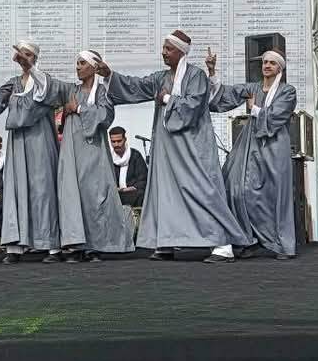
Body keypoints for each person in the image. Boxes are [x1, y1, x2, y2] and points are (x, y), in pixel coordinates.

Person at [95, 29, 249, 263]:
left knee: (201, 190)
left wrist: (167, 99)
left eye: (168, 49)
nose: (164, 52)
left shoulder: (196, 75)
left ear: (181, 52)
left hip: (192, 148)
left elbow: (194, 105)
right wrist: (109, 75)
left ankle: (222, 244)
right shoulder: (161, 78)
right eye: (163, 48)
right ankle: (167, 241)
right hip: (167, 149)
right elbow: (136, 86)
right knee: (165, 193)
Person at [0, 41, 70, 264]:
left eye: (28, 54)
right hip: (18, 143)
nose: (23, 57)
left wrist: (30, 67)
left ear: (35, 58)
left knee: (44, 191)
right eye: (21, 53)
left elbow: (50, 94)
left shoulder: (45, 81)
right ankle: (15, 246)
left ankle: (51, 246)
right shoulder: (13, 84)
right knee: (17, 190)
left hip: (41, 142)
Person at [206, 47, 298, 260]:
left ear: (280, 68)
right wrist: (212, 72)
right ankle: (247, 239)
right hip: (250, 143)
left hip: (274, 146)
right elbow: (226, 94)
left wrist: (255, 109)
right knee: (235, 188)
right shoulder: (253, 87)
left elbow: (278, 116)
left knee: (272, 195)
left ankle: (280, 244)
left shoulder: (287, 91)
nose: (267, 66)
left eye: (272, 63)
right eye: (265, 62)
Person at [56, 51, 135, 262]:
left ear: (93, 67)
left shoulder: (102, 92)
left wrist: (79, 108)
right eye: (77, 63)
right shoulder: (71, 90)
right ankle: (75, 244)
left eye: (82, 63)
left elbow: (104, 116)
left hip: (94, 153)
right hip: (72, 152)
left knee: (95, 197)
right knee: (73, 196)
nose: (78, 67)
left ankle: (94, 245)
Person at [109, 127, 148, 208]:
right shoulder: (108, 158)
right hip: (115, 194)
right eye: (113, 142)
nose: (116, 144)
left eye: (119, 141)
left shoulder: (135, 155)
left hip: (133, 193)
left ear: (125, 139)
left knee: (141, 194)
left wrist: (128, 189)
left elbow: (143, 179)